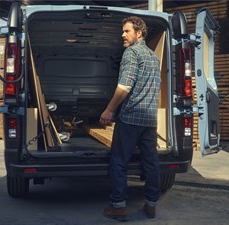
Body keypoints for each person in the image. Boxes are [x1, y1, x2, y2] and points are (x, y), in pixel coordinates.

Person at [100, 16, 161, 221]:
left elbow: (124, 87)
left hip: (131, 117)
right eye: (123, 31)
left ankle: (118, 206)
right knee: (151, 162)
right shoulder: (153, 56)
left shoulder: (132, 53)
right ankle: (151, 205)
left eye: (127, 31)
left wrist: (109, 110)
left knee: (118, 160)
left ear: (139, 33)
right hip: (150, 120)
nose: (123, 35)